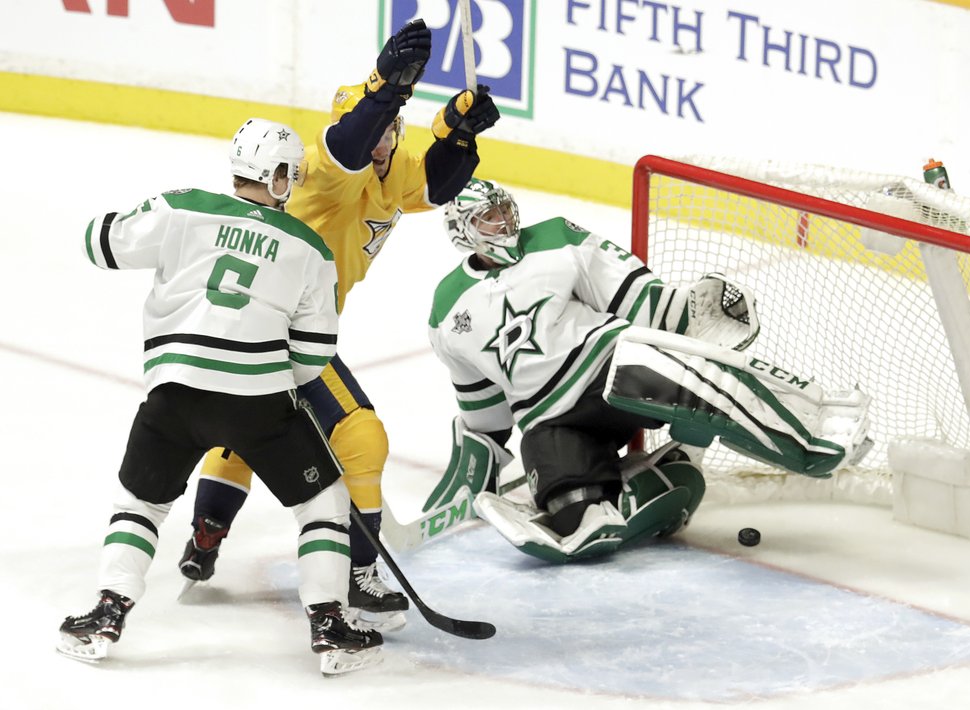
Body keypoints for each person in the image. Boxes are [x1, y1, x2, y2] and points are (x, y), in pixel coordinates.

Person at [179, 18, 500, 632]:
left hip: (266, 329)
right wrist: (388, 90)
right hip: (283, 334)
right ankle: (358, 574)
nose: (382, 141)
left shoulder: (393, 163)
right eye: (375, 128)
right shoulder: (324, 169)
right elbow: (351, 141)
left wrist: (458, 136)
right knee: (361, 437)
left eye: (389, 133)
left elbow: (434, 183)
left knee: (249, 427)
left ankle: (204, 538)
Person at [58, 118, 383, 676]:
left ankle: (108, 611)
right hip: (258, 401)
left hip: (173, 393)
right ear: (280, 176)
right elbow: (312, 357)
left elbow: (96, 242)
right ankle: (329, 624)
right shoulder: (309, 248)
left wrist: (141, 225)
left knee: (140, 503)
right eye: (292, 177)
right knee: (323, 503)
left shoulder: (181, 207)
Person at [423, 178, 874, 562]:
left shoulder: (557, 237)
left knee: (689, 382)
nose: (503, 223)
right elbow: (484, 412)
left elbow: (636, 296)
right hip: (549, 419)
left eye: (504, 210)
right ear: (463, 232)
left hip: (611, 366)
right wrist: (466, 484)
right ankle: (672, 476)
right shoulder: (446, 309)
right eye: (488, 217)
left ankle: (812, 431)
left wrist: (695, 308)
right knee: (577, 520)